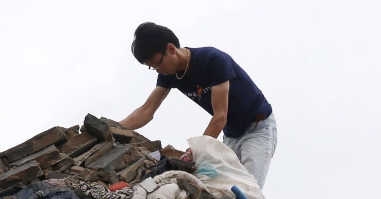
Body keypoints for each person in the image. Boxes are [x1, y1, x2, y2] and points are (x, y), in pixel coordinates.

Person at [118, 22, 278, 188]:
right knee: (222, 187)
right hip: (231, 135)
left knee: (248, 191)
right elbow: (146, 111)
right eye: (153, 68)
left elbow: (220, 117)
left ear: (171, 49)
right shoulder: (169, 75)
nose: (158, 70)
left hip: (258, 128)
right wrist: (113, 127)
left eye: (158, 63)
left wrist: (195, 150)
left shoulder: (213, 60)